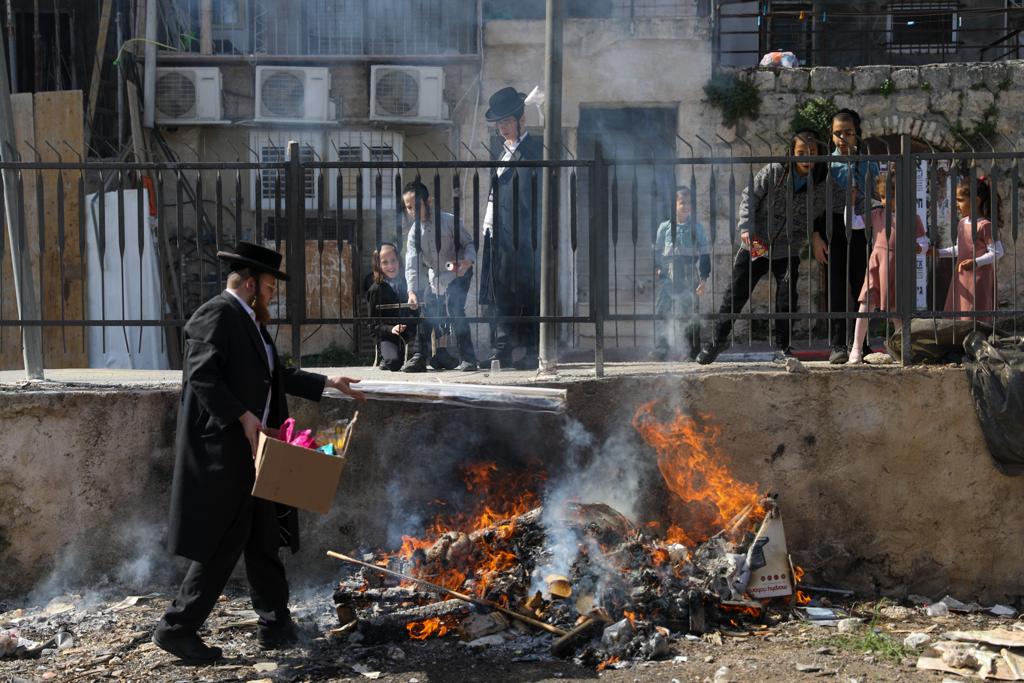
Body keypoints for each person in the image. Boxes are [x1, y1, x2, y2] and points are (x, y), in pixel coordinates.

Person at [153, 241, 364, 664]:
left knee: (264, 536)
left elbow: (276, 375)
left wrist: (327, 381)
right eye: (269, 287)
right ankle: (176, 628)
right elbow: (202, 376)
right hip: (228, 451)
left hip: (259, 450)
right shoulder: (217, 314)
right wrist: (243, 417)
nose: (273, 295)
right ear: (250, 284)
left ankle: (276, 625)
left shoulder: (249, 321)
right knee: (226, 542)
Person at [697, 130, 846, 365]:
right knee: (736, 294)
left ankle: (782, 348)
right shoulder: (775, 171)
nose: (806, 158)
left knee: (786, 298)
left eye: (812, 153)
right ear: (792, 153)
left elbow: (845, 201)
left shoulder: (824, 183)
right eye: (801, 153)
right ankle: (717, 340)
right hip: (757, 243)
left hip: (787, 248)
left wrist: (876, 200)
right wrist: (746, 227)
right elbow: (750, 196)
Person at [479, 86, 543, 370]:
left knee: (527, 289)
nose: (503, 127)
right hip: (499, 232)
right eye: (500, 123)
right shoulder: (501, 151)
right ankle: (503, 344)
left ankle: (529, 347)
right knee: (501, 289)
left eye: (507, 121)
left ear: (521, 119)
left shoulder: (534, 151)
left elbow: (535, 196)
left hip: (525, 234)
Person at [812, 109, 880, 364]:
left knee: (862, 289)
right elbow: (817, 203)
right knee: (837, 288)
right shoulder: (827, 164)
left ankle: (862, 344)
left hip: (863, 229)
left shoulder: (869, 163)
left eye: (848, 133)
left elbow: (878, 194)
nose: (842, 138)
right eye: (837, 133)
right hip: (835, 231)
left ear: (857, 134)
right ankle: (839, 343)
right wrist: (816, 236)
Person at [847, 172, 928, 364]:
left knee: (897, 312)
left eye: (889, 197)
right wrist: (850, 205)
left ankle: (902, 351)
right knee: (866, 304)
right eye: (882, 197)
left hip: (898, 266)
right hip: (877, 263)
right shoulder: (877, 214)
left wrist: (920, 248)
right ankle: (856, 350)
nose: (885, 201)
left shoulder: (912, 217)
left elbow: (924, 242)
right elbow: (853, 223)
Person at [400, 180, 478, 373]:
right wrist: (411, 291)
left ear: (429, 201)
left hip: (458, 272)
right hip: (436, 275)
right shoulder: (413, 234)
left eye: (416, 206)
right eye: (409, 208)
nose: (413, 211)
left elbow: (469, 244)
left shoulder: (449, 221)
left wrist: (466, 262)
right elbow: (412, 264)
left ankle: (468, 358)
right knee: (426, 309)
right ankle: (420, 357)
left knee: (454, 307)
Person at [650, 187, 710, 361]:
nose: (686, 206)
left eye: (689, 203)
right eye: (682, 202)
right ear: (674, 205)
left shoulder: (696, 228)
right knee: (663, 309)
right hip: (668, 275)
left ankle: (692, 351)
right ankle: (661, 349)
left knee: (691, 311)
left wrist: (704, 278)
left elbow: (705, 253)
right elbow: (658, 251)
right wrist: (658, 267)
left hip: (689, 273)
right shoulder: (664, 228)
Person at [937, 175, 1004, 323]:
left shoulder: (985, 225)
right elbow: (960, 248)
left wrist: (975, 262)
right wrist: (939, 253)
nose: (956, 204)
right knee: (961, 312)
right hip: (962, 276)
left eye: (960, 200)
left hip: (979, 278)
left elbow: (997, 252)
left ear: (976, 201)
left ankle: (977, 341)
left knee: (976, 315)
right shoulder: (962, 223)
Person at [365, 242, 417, 371]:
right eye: (385, 262)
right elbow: (373, 325)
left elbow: (417, 312)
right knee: (393, 363)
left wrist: (414, 310)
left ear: (399, 261)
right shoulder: (376, 289)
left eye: (393, 260)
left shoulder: (408, 284)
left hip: (409, 330)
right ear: (378, 265)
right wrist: (390, 329)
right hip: (388, 334)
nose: (391, 266)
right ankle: (385, 355)